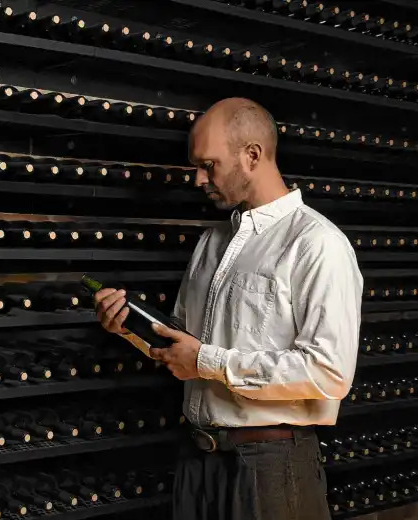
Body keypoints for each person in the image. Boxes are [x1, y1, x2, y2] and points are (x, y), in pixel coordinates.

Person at [94, 97, 362, 520]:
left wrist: (205, 360)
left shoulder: (316, 244)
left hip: (270, 466)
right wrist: (129, 328)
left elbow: (329, 373)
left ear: (251, 155)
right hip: (198, 460)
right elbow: (185, 346)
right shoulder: (211, 241)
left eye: (209, 164)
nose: (199, 179)